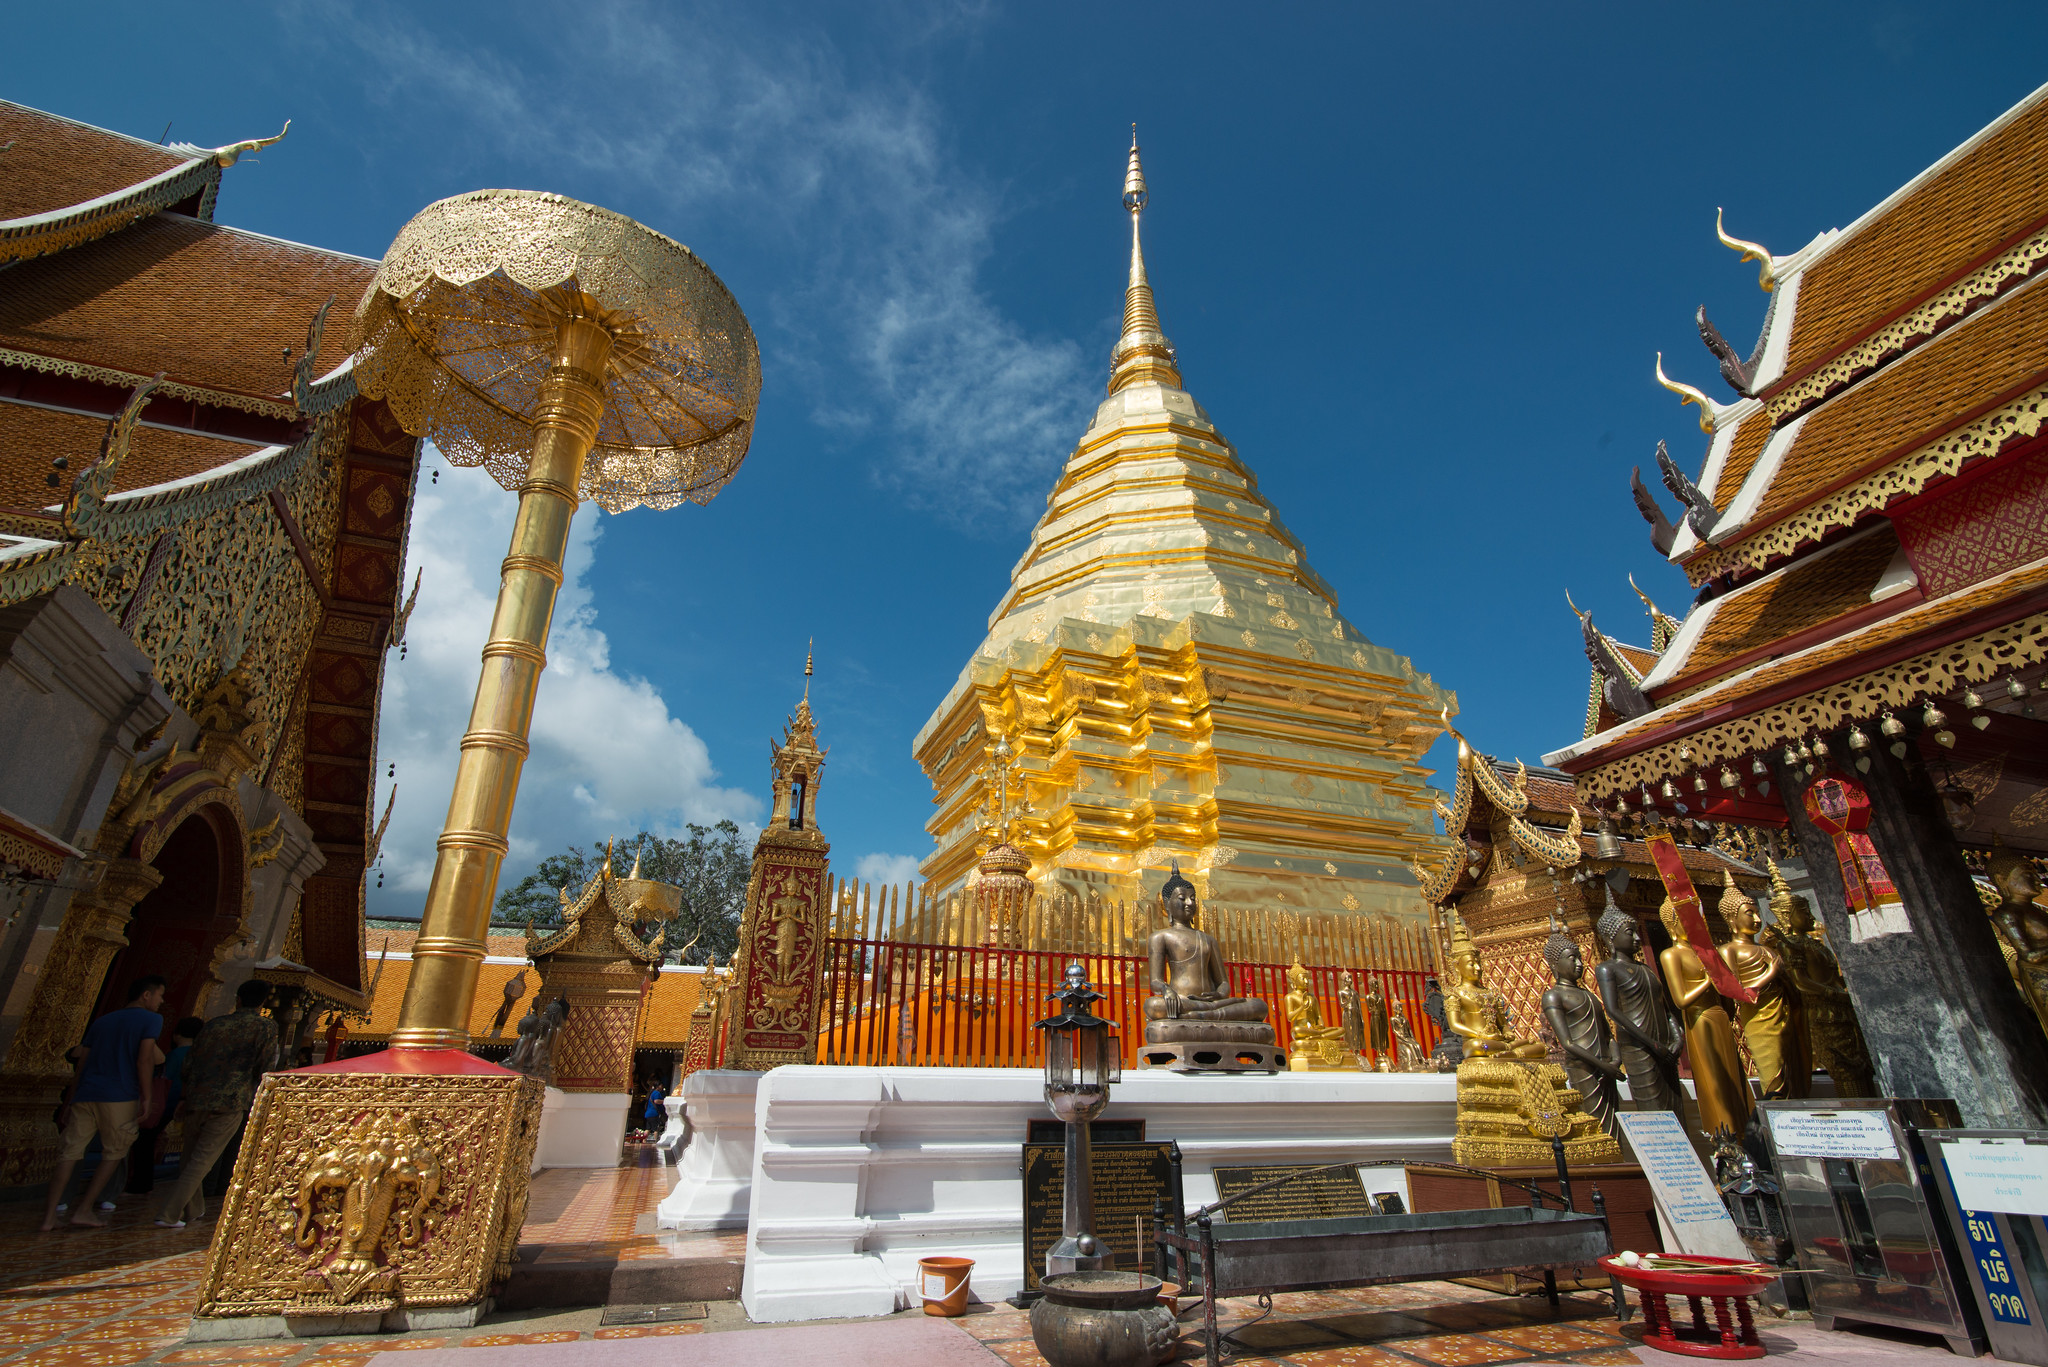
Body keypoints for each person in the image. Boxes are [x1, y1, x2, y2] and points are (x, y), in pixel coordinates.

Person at [41, 975, 167, 1231]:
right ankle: (85, 1208)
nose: (161, 1001)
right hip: (120, 1094)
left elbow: (83, 1063)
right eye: (159, 995)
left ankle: (49, 1216)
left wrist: (69, 1100)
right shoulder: (151, 1019)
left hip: (87, 1093)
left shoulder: (102, 1021)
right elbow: (145, 1060)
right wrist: (147, 1096)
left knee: (70, 1153)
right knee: (114, 1152)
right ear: (146, 995)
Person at [153, 979, 280, 1228]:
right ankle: (169, 1213)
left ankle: (194, 1209)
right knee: (201, 1160)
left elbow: (191, 1063)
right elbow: (265, 1068)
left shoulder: (214, 1025)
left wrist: (185, 1096)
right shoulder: (265, 1028)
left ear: (238, 999)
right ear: (262, 1003)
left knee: (191, 1158)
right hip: (231, 1100)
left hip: (197, 1097)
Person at [125, 1016, 202, 1195]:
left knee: (144, 1141)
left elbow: (165, 1081)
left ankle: (140, 1182)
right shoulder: (197, 1054)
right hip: (183, 1103)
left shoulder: (175, 1056)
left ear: (177, 1034)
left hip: (165, 1103)